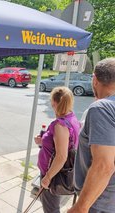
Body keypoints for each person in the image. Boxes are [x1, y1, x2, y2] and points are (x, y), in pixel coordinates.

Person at [68, 58, 115, 213]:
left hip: (99, 203)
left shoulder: (102, 108)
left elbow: (104, 166)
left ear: (95, 79)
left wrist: (80, 207)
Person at [34, 86, 80, 213]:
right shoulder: (72, 118)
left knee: (51, 209)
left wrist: (47, 177)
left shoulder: (60, 125)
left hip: (54, 173)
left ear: (55, 103)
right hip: (58, 171)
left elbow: (61, 156)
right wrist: (43, 141)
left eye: (51, 103)